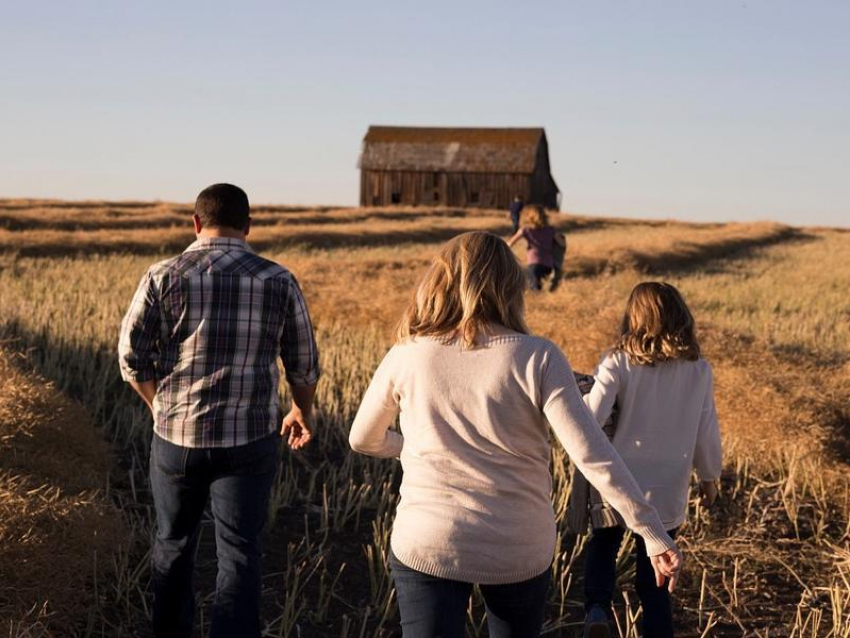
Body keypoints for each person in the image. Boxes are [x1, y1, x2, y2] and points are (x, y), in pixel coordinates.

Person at [348, 232, 682, 638]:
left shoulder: (407, 352)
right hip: (518, 547)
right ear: (510, 285)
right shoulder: (539, 357)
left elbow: (363, 438)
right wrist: (650, 531)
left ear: (441, 281)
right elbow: (592, 455)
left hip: (429, 541)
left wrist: (411, 448)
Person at [118, 183, 320, 638]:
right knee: (241, 551)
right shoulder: (278, 279)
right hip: (249, 441)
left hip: (176, 439)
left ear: (195, 223)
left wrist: (159, 408)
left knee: (172, 545)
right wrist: (300, 410)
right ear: (248, 226)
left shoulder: (162, 274)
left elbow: (131, 359)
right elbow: (303, 364)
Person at [581, 282, 722, 638]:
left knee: (603, 545)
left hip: (620, 480)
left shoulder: (618, 361)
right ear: (682, 317)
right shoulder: (698, 369)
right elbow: (707, 429)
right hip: (669, 483)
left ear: (634, 317)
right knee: (656, 577)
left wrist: (577, 391)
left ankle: (597, 610)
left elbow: (590, 417)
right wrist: (709, 477)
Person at [507, 205, 566, 291]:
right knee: (541, 286)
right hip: (548, 265)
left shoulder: (526, 230)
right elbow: (562, 243)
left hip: (534, 263)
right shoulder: (551, 230)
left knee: (532, 288)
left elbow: (510, 243)